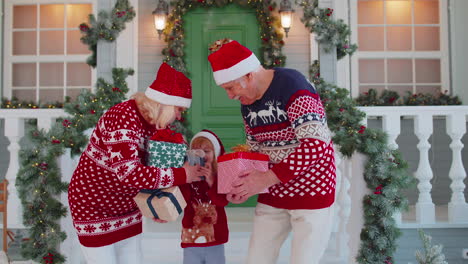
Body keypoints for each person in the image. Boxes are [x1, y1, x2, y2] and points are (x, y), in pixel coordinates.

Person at [207, 39, 336, 264]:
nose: (229, 95)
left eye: (230, 87)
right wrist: (243, 187)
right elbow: (256, 149)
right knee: (257, 259)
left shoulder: (293, 85)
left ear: (248, 75)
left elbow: (316, 144)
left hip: (312, 192)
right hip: (274, 193)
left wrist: (267, 177)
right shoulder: (248, 101)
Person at [68, 62, 207, 264]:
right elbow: (129, 173)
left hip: (127, 208)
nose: (178, 116)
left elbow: (151, 172)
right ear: (165, 103)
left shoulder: (153, 127)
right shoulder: (123, 117)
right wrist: (183, 174)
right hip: (94, 208)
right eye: (178, 109)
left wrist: (154, 204)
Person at [179, 129, 229, 264]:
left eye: (206, 151)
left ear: (216, 153)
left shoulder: (220, 176)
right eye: (196, 152)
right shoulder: (188, 176)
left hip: (215, 238)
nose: (202, 155)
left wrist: (211, 180)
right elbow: (181, 199)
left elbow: (223, 201)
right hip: (191, 238)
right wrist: (185, 176)